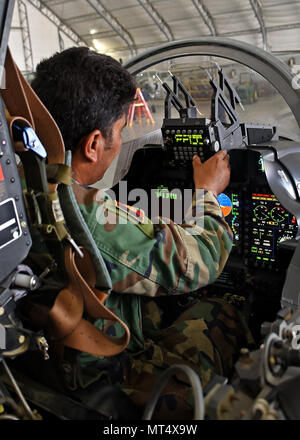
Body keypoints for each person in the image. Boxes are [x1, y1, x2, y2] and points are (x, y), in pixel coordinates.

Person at [31, 47, 252, 418]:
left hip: (47, 357)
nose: (120, 140)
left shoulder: (22, 188)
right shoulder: (82, 209)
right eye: (119, 131)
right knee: (221, 311)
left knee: (162, 305)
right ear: (93, 144)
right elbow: (200, 260)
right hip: (103, 375)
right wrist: (207, 195)